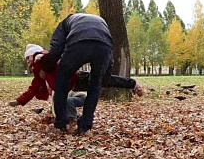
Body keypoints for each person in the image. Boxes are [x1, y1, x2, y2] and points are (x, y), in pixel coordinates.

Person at [9, 44, 143, 127]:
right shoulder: (38, 72)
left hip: (79, 78)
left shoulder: (43, 58)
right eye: (27, 58)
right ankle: (65, 122)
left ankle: (132, 83)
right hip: (73, 85)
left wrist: (40, 56)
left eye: (28, 57)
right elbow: (33, 89)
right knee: (104, 82)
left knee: (106, 80)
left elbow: (50, 55)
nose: (28, 60)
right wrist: (19, 101)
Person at [41, 13, 118, 134]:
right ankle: (85, 127)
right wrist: (105, 75)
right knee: (95, 86)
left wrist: (45, 68)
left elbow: (56, 49)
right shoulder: (100, 21)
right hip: (103, 47)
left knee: (61, 83)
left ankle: (61, 124)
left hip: (78, 44)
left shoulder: (65, 23)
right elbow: (109, 47)